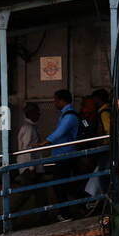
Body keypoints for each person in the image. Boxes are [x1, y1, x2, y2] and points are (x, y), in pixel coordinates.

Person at [46, 90, 83, 219]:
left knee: (61, 186)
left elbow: (59, 133)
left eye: (55, 100)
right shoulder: (66, 114)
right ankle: (78, 207)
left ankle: (66, 213)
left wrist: (45, 142)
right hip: (63, 155)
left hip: (66, 155)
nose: (54, 102)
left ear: (62, 100)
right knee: (65, 185)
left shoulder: (69, 116)